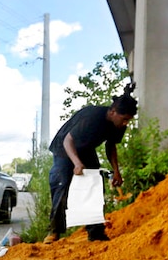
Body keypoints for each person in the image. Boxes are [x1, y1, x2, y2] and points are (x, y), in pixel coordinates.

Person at [44, 83, 137, 244]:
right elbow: (68, 140)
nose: (125, 124)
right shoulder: (93, 117)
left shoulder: (119, 124)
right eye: (124, 119)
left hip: (86, 149)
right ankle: (54, 232)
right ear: (113, 112)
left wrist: (116, 170)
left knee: (94, 185)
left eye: (128, 120)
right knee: (62, 183)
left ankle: (95, 233)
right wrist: (77, 163)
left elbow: (111, 145)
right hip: (64, 148)